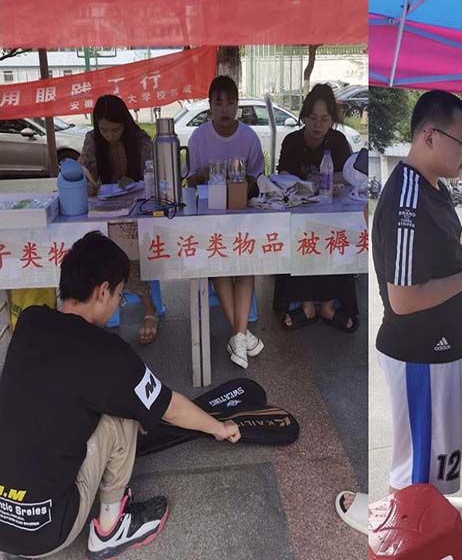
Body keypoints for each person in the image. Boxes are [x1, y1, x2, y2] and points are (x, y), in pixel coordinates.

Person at [0, 231, 241, 559]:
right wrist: (219, 427)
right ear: (102, 291)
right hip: (45, 531)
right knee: (125, 409)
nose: (118, 303)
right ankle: (111, 529)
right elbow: (167, 406)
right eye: (119, 295)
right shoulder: (109, 354)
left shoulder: (30, 321)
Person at [336, 90, 462, 533]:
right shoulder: (406, 199)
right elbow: (404, 299)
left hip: (443, 347)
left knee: (439, 450)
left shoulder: (434, 187)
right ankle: (411, 531)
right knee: (415, 460)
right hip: (419, 352)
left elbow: (438, 260)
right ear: (429, 136)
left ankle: (435, 511)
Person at [185, 75, 265, 370]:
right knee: (219, 261)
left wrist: (242, 181)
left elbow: (259, 177)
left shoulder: (249, 137)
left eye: (230, 102)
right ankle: (241, 335)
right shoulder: (198, 138)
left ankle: (238, 336)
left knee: (246, 262)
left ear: (237, 105)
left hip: (242, 215)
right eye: (218, 103)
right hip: (210, 219)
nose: (224, 109)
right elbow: (189, 181)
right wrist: (203, 174)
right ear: (210, 105)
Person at [275, 84, 359, 333]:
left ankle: (329, 305)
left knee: (335, 238)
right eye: (312, 118)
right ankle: (307, 304)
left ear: (332, 120)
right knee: (300, 237)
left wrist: (328, 180)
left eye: (324, 119)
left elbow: (350, 175)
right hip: (298, 215)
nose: (318, 125)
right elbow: (282, 175)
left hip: (332, 216)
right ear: (304, 117)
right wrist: (305, 184)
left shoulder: (338, 141)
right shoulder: (291, 141)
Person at [78, 94, 159, 345]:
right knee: (85, 247)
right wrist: (87, 184)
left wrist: (135, 185)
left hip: (136, 212)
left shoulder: (141, 141)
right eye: (104, 130)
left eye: (115, 130)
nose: (110, 135)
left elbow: (153, 178)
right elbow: (85, 173)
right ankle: (93, 309)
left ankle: (149, 307)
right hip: (103, 209)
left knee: (124, 243)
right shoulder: (92, 140)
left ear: (125, 124)